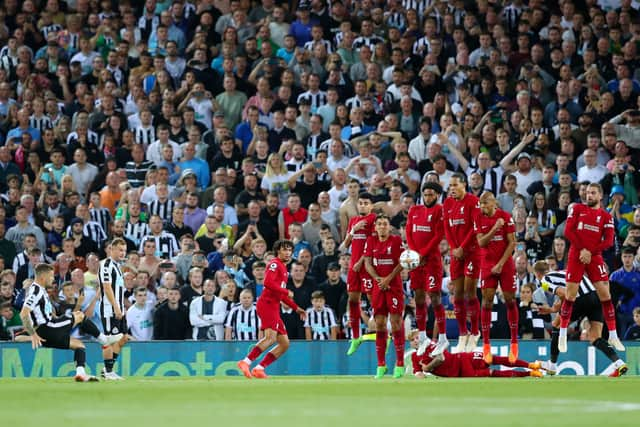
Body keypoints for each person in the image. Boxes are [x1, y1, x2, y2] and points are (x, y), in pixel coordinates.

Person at [20, 263, 122, 382]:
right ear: (43, 277)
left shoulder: (40, 290)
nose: (53, 280)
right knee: (79, 315)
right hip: (47, 328)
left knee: (79, 345)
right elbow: (23, 313)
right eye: (51, 276)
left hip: (48, 330)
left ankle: (81, 374)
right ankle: (104, 339)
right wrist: (32, 334)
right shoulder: (35, 291)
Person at [534, 261, 628, 377]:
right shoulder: (564, 272)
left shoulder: (544, 281)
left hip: (579, 299)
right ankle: (619, 363)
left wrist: (554, 309)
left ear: (537, 274)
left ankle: (552, 365)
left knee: (556, 325)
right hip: (595, 297)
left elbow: (564, 294)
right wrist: (554, 309)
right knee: (595, 337)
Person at [560, 184, 624, 353]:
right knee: (570, 295)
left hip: (594, 256)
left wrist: (590, 251)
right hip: (576, 255)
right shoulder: (577, 208)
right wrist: (583, 250)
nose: (589, 195)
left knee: (606, 294)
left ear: (600, 195)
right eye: (587, 193)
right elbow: (568, 231)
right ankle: (562, 333)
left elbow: (609, 241)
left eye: (593, 193)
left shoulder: (605, 216)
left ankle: (613, 335)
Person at [237, 240, 307, 378]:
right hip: (267, 304)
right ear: (278, 251)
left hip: (274, 305)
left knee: (284, 343)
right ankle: (245, 361)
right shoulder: (275, 264)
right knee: (270, 338)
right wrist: (286, 291)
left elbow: (279, 294)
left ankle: (259, 368)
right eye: (284, 250)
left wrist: (296, 308)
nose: (287, 253)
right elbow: (268, 282)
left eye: (289, 250)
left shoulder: (284, 270)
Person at [474, 191, 519, 363]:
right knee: (486, 301)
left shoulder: (506, 217)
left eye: (485, 204)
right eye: (481, 204)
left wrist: (500, 264)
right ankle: (486, 344)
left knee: (510, 300)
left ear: (494, 203)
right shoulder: (479, 218)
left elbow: (512, 242)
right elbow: (481, 242)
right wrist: (494, 228)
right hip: (487, 263)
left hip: (505, 263)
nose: (483, 207)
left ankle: (514, 342)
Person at [405, 182, 447, 352]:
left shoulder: (439, 210)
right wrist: (415, 254)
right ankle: (422, 336)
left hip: (431, 261)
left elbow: (438, 235)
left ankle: (443, 338)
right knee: (419, 299)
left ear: (437, 195)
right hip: (416, 261)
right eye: (425, 194)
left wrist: (422, 254)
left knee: (435, 297)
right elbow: (408, 232)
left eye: (431, 194)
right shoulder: (414, 210)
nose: (428, 197)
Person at [442, 172, 481, 353]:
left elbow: (475, 228)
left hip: (471, 253)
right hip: (456, 253)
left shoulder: (473, 201)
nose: (452, 189)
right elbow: (447, 229)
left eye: (455, 185)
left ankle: (475, 332)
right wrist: (453, 247)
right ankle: (462, 334)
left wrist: (462, 247)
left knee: (470, 293)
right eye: (450, 186)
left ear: (464, 185)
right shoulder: (448, 203)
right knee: (457, 295)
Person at [364, 215, 405, 379]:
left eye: (385, 224)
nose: (382, 226)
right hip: (378, 287)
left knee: (395, 324)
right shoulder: (371, 241)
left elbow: (402, 262)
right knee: (379, 324)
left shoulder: (396, 241)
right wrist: (378, 279)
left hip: (393, 286)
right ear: (375, 227)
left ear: (389, 227)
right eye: (379, 224)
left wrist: (388, 279)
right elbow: (367, 262)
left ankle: (400, 363)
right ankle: (381, 365)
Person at [337, 192, 377, 355]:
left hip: (367, 266)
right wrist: (352, 231)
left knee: (372, 298)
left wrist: (361, 261)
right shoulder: (354, 221)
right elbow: (345, 245)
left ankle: (379, 333)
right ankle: (355, 337)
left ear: (371, 206)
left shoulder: (373, 220)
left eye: (366, 203)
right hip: (354, 266)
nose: (362, 205)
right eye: (360, 203)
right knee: (353, 299)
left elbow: (374, 244)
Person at [412, 338, 544, 378]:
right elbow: (419, 375)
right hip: (461, 372)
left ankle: (531, 365)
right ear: (411, 343)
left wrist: (428, 368)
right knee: (493, 373)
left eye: (417, 337)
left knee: (493, 359)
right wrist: (420, 373)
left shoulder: (431, 345)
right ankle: (530, 373)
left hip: (463, 357)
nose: (416, 340)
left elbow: (441, 358)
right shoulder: (414, 356)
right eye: (412, 339)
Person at [98, 239, 130, 380]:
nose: (122, 253)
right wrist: (116, 307)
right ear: (112, 249)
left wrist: (122, 308)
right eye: (120, 250)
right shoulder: (106, 265)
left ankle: (107, 370)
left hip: (119, 309)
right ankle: (109, 372)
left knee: (123, 338)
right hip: (109, 309)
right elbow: (106, 287)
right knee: (110, 340)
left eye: (124, 250)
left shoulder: (118, 266)